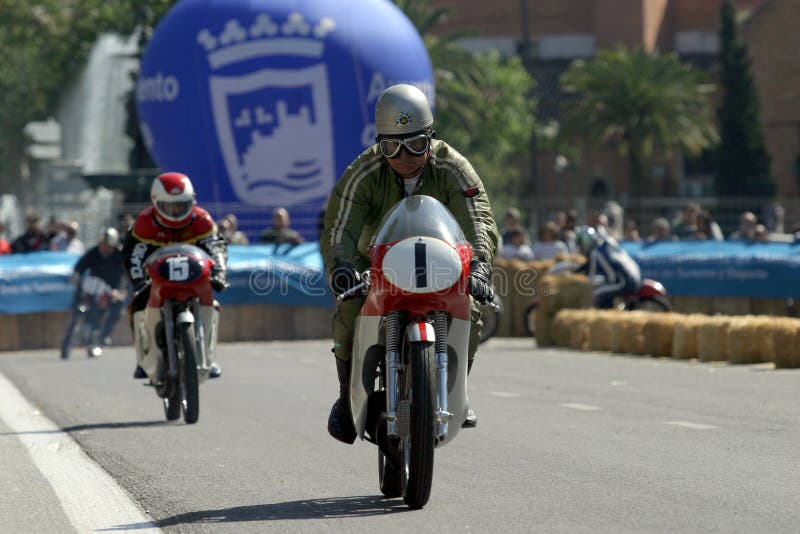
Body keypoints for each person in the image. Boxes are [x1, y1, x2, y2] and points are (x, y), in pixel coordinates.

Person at [320, 83, 499, 443]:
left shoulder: (453, 167)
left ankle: (456, 391)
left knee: (471, 308)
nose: (404, 156)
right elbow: (339, 227)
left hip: (441, 262)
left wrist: (479, 265)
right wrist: (341, 266)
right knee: (349, 307)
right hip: (375, 265)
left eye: (415, 144)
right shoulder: (362, 172)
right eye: (392, 147)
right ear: (380, 144)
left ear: (430, 137)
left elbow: (478, 219)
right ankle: (346, 396)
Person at [121, 172, 229, 379]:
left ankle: (207, 356)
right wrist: (138, 280)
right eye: (169, 207)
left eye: (181, 205)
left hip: (194, 277)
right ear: (155, 202)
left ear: (191, 202)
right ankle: (145, 359)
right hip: (157, 279)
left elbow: (216, 248)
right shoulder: (144, 222)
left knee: (213, 303)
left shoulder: (202, 219)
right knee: (136, 304)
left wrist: (219, 273)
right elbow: (133, 254)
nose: (176, 211)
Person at [62, 228, 128, 357]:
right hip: (92, 285)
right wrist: (76, 275)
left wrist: (118, 290)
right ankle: (73, 326)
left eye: (108, 246)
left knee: (117, 306)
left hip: (110, 287)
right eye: (102, 245)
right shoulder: (94, 252)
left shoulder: (119, 255)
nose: (104, 249)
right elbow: (80, 265)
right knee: (78, 300)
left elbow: (123, 276)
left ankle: (105, 335)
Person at [574, 225, 642, 309]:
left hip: (623, 281)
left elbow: (592, 276)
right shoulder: (604, 245)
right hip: (631, 277)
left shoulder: (595, 253)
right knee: (603, 289)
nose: (581, 248)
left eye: (581, 245)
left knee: (594, 294)